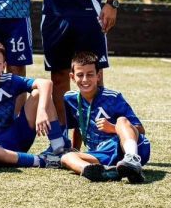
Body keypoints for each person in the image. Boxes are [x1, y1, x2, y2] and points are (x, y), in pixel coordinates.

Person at [0, 40, 66, 168]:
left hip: (15, 136)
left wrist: (42, 110)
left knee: (39, 93)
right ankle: (43, 161)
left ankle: (59, 148)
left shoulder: (10, 80)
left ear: (4, 66)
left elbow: (46, 83)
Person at [60, 52, 150, 183]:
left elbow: (140, 130)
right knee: (67, 157)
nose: (85, 79)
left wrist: (113, 128)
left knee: (121, 120)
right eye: (80, 75)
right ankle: (101, 172)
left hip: (128, 147)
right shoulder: (70, 99)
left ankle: (132, 160)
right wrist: (76, 150)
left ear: (98, 75)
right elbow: (79, 127)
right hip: (102, 153)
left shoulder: (113, 97)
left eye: (90, 74)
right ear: (72, 77)